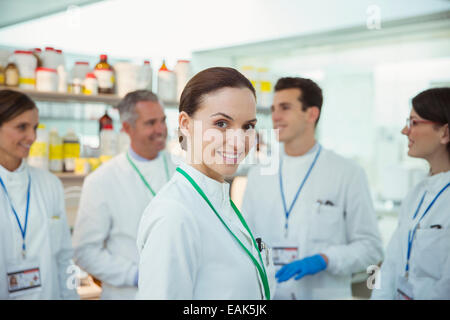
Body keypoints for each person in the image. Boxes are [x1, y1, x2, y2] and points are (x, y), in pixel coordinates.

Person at [136, 67, 275, 300]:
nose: (238, 142)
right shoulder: (174, 215)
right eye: (221, 124)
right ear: (185, 124)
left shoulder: (219, 202)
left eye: (248, 126)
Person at [241, 77, 384, 299]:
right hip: (270, 295)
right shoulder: (258, 174)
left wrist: (326, 259)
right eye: (273, 109)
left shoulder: (347, 172)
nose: (275, 116)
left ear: (312, 114)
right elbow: (246, 241)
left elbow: (371, 247)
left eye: (285, 108)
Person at [72, 90, 177, 300]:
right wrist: (136, 275)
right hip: (129, 293)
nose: (161, 129)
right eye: (151, 123)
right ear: (127, 128)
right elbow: (84, 252)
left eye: (163, 121)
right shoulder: (102, 180)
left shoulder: (183, 171)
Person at [371, 87, 450, 300]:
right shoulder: (417, 193)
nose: (404, 131)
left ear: (445, 133)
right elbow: (390, 265)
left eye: (413, 123)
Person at [0, 90, 78, 299]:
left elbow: (64, 257)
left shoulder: (49, 183)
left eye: (34, 127)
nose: (32, 137)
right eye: (21, 127)